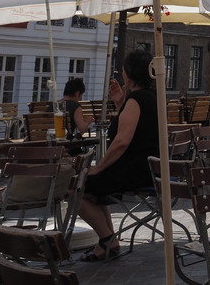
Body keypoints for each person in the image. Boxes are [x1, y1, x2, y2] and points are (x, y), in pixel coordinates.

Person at [78, 50, 159, 261]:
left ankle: (107, 240)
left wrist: (100, 166)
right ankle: (106, 240)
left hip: (136, 171)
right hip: (150, 168)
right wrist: (120, 103)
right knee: (93, 188)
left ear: (128, 75)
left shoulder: (136, 100)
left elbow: (122, 141)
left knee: (76, 188)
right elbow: (140, 128)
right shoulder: (151, 97)